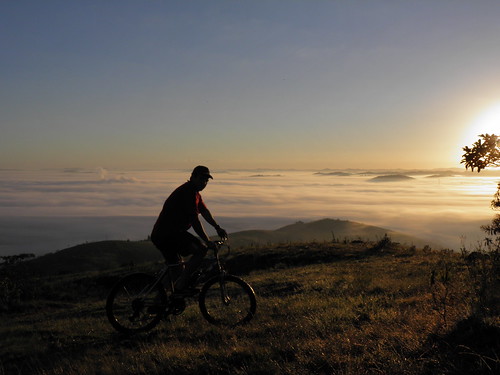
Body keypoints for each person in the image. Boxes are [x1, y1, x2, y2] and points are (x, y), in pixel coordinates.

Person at [151, 165, 228, 295]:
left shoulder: (195, 193)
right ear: (193, 177)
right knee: (201, 249)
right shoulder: (188, 192)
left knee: (177, 269)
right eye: (202, 179)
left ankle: (160, 301)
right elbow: (195, 221)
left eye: (206, 180)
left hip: (168, 234)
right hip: (168, 234)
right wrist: (207, 241)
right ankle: (181, 286)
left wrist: (217, 228)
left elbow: (204, 211)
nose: (204, 183)